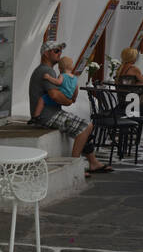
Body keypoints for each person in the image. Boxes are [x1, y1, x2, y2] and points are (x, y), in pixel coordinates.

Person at [28, 41, 110, 175]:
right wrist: (69, 101)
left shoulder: (47, 71)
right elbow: (54, 95)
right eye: (56, 51)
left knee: (84, 128)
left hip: (51, 113)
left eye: (60, 51)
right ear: (46, 54)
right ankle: (74, 165)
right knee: (85, 127)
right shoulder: (46, 71)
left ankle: (93, 162)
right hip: (47, 115)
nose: (59, 54)